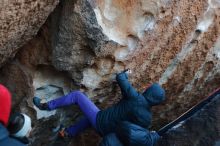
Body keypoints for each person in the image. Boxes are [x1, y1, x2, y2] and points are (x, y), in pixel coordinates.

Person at [33, 69, 166, 138]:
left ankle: (45, 106)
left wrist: (127, 73)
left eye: (149, 87)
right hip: (107, 132)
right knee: (89, 118)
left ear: (150, 92)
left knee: (77, 96)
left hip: (101, 120)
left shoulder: (135, 98)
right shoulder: (147, 119)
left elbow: (120, 77)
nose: (147, 87)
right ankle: (67, 133)